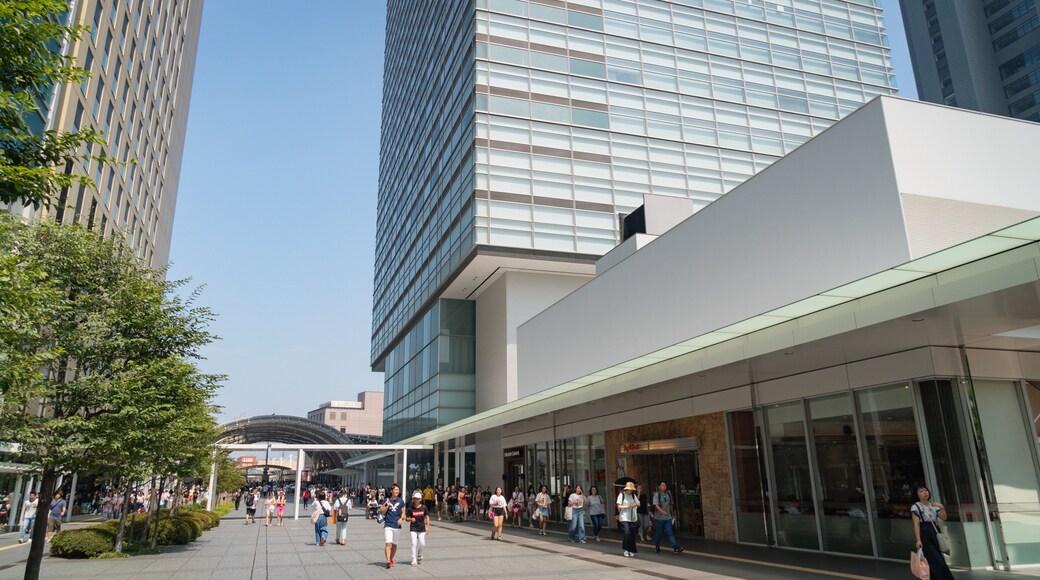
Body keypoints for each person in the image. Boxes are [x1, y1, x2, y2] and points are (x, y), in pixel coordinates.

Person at [912, 486, 954, 580]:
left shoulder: (933, 505)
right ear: (917, 495)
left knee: (938, 558)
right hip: (924, 532)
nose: (925, 492)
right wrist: (918, 540)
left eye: (926, 490)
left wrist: (942, 507)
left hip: (934, 531)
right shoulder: (916, 506)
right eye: (921, 491)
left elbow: (944, 518)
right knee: (936, 560)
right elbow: (916, 524)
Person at [651, 481, 683, 554]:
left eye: (665, 485)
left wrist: (673, 513)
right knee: (659, 533)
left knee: (670, 532)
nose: (664, 486)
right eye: (662, 485)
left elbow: (671, 504)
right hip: (659, 518)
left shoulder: (668, 493)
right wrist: (662, 512)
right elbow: (656, 505)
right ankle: (657, 546)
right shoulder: (657, 494)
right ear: (659, 487)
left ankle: (675, 547)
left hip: (668, 517)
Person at [381, 484, 406, 568]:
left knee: (394, 544)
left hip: (397, 526)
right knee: (388, 543)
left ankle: (391, 559)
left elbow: (403, 512)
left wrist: (401, 519)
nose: (396, 491)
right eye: (395, 490)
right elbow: (383, 512)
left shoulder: (401, 501)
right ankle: (387, 560)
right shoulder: (386, 500)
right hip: (388, 524)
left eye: (398, 490)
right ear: (391, 491)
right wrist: (387, 505)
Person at [405, 491, 429, 567]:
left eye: (417, 499)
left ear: (420, 499)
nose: (416, 500)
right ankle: (414, 559)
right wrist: (411, 519)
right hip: (413, 528)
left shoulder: (424, 507)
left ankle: (420, 554)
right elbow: (406, 518)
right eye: (415, 499)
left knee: (423, 543)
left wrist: (427, 526)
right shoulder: (410, 508)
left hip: (422, 528)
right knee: (413, 543)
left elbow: (427, 516)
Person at [617, 482, 640, 558]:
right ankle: (626, 549)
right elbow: (619, 506)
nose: (630, 491)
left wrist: (634, 504)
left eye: (631, 490)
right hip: (624, 517)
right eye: (629, 489)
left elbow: (638, 504)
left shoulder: (633, 495)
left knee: (632, 534)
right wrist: (628, 506)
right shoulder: (622, 495)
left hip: (632, 517)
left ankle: (631, 550)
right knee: (627, 532)